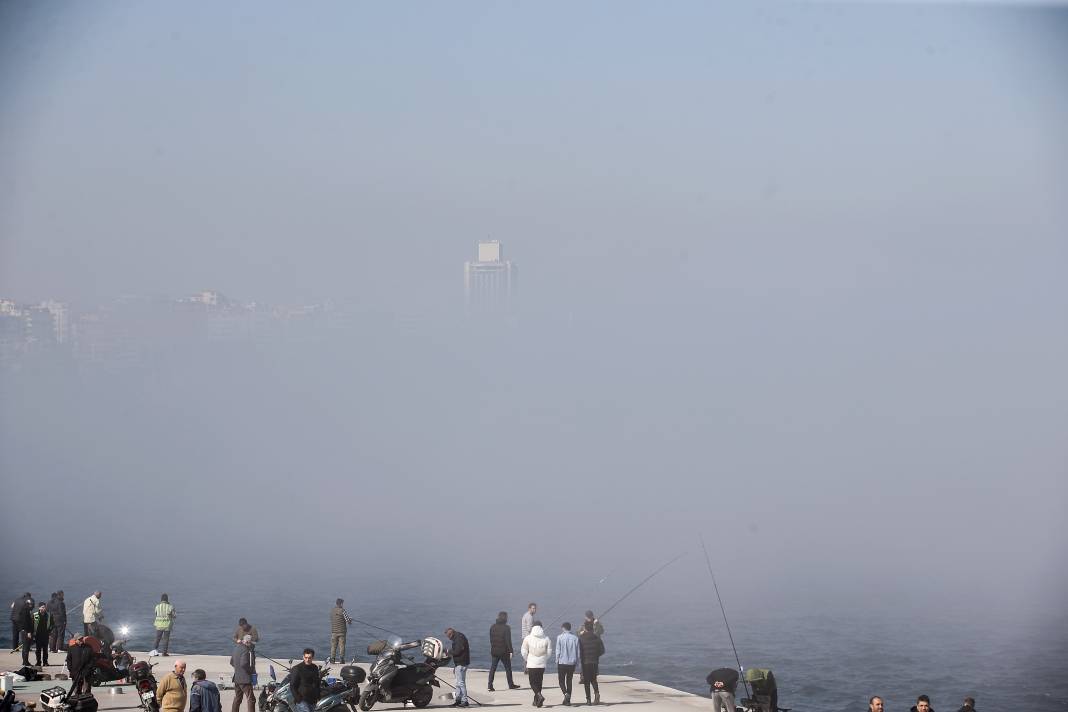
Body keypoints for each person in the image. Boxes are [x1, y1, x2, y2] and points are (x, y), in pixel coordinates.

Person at [521, 621, 551, 708]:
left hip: (532, 664)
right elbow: (549, 652)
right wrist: (544, 659)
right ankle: (537, 701)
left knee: (532, 682)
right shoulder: (546, 638)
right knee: (539, 682)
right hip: (542, 664)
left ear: (533, 627)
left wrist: (527, 659)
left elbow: (524, 651)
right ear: (541, 627)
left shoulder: (528, 638)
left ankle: (539, 696)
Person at [488, 611, 520, 692]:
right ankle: (510, 684)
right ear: (505, 618)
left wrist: (493, 648)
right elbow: (508, 641)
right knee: (508, 668)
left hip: (494, 651)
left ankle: (490, 685)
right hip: (503, 652)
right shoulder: (506, 628)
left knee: (493, 668)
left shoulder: (492, 627)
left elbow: (491, 639)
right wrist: (511, 651)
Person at [578, 621, 605, 706]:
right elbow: (602, 651)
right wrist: (596, 655)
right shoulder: (597, 638)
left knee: (586, 681)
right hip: (594, 661)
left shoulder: (581, 638)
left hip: (585, 662)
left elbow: (580, 651)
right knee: (593, 679)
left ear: (585, 628)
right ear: (593, 628)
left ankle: (588, 700)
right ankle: (596, 693)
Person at [555, 623, 580, 706]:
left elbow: (558, 651)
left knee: (561, 681)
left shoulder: (560, 637)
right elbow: (578, 652)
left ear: (563, 628)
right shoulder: (575, 638)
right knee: (569, 681)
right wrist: (577, 662)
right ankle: (567, 701)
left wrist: (556, 660)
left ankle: (566, 694)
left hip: (562, 662)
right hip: (572, 663)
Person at [230, 634, 256, 712]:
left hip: (237, 678)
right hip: (245, 679)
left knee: (237, 698)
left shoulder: (236, 648)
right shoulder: (246, 650)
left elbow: (231, 662)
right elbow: (244, 663)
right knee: (251, 699)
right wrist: (251, 670)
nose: (252, 645)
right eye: (251, 643)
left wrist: (238, 669)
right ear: (248, 642)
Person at [445, 628, 470, 708]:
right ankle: (458, 700)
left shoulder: (459, 638)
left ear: (451, 634)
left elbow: (457, 651)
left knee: (461, 683)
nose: (449, 638)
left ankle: (464, 700)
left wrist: (449, 651)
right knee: (458, 683)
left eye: (448, 636)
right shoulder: (458, 637)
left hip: (461, 663)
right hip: (459, 663)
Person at [329, 599, 353, 664]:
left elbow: (333, 618)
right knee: (342, 646)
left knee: (333, 646)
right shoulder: (342, 611)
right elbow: (348, 621)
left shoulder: (332, 611)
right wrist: (350, 620)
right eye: (343, 603)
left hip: (334, 632)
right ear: (341, 603)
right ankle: (341, 659)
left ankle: (332, 659)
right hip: (342, 632)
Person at [32, 602, 53, 666]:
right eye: (42, 607)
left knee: (45, 649)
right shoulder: (35, 615)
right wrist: (32, 633)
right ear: (39, 608)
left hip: (45, 634)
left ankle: (45, 662)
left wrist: (50, 631)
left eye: (45, 607)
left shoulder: (49, 615)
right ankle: (38, 662)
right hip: (38, 635)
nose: (44, 608)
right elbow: (32, 624)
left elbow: (52, 624)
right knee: (38, 650)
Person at [14, 600, 33, 667]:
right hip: (26, 631)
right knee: (26, 647)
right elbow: (26, 623)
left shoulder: (22, 611)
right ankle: (25, 662)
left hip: (23, 630)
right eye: (31, 604)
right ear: (28, 604)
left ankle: (25, 661)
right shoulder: (26, 611)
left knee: (25, 647)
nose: (31, 605)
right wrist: (28, 632)